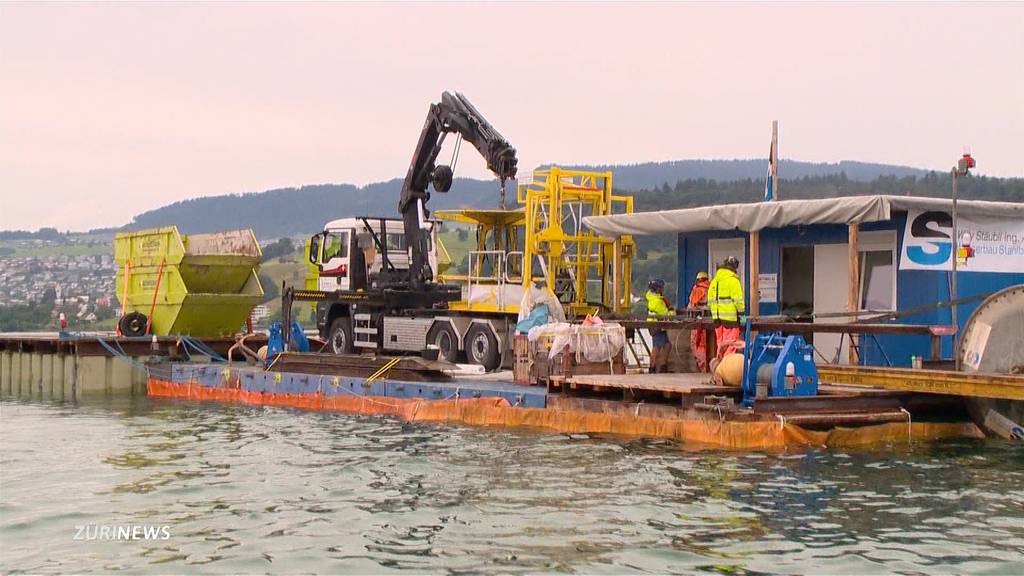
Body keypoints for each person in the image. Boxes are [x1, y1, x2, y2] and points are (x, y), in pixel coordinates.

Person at [708, 256, 745, 357]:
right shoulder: (733, 280)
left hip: (717, 319)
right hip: (730, 319)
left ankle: (718, 367)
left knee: (720, 345)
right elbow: (738, 301)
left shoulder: (715, 281)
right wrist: (742, 316)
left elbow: (710, 301)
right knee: (731, 345)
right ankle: (725, 368)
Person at [645, 278, 673, 373]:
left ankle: (662, 366)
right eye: (661, 287)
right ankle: (653, 368)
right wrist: (671, 309)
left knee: (667, 345)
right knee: (657, 347)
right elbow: (667, 314)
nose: (662, 289)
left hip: (656, 325)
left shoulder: (654, 298)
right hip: (656, 325)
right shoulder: (657, 301)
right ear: (657, 289)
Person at [687, 271, 711, 371]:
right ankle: (708, 367)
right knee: (708, 345)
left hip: (698, 322)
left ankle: (703, 367)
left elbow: (691, 306)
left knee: (696, 345)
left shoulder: (697, 290)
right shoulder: (711, 289)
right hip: (710, 321)